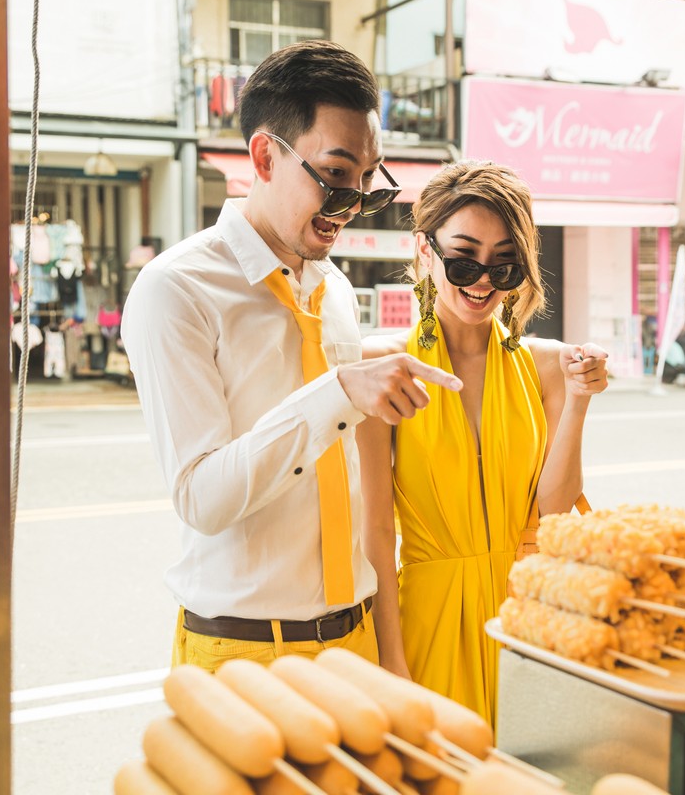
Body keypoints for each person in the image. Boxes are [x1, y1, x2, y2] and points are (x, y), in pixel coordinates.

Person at [121, 40, 461, 674]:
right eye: (335, 176)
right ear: (264, 156)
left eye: (367, 181)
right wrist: (337, 394)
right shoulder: (177, 289)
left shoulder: (330, 286)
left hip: (355, 636)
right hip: (244, 649)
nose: (353, 204)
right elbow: (201, 497)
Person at [358, 161, 609, 723]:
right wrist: (390, 662)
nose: (481, 280)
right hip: (428, 622)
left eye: (504, 263)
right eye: (464, 257)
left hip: (527, 621)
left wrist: (579, 399)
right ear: (425, 251)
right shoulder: (383, 366)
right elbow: (374, 531)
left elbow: (554, 510)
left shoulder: (548, 364)